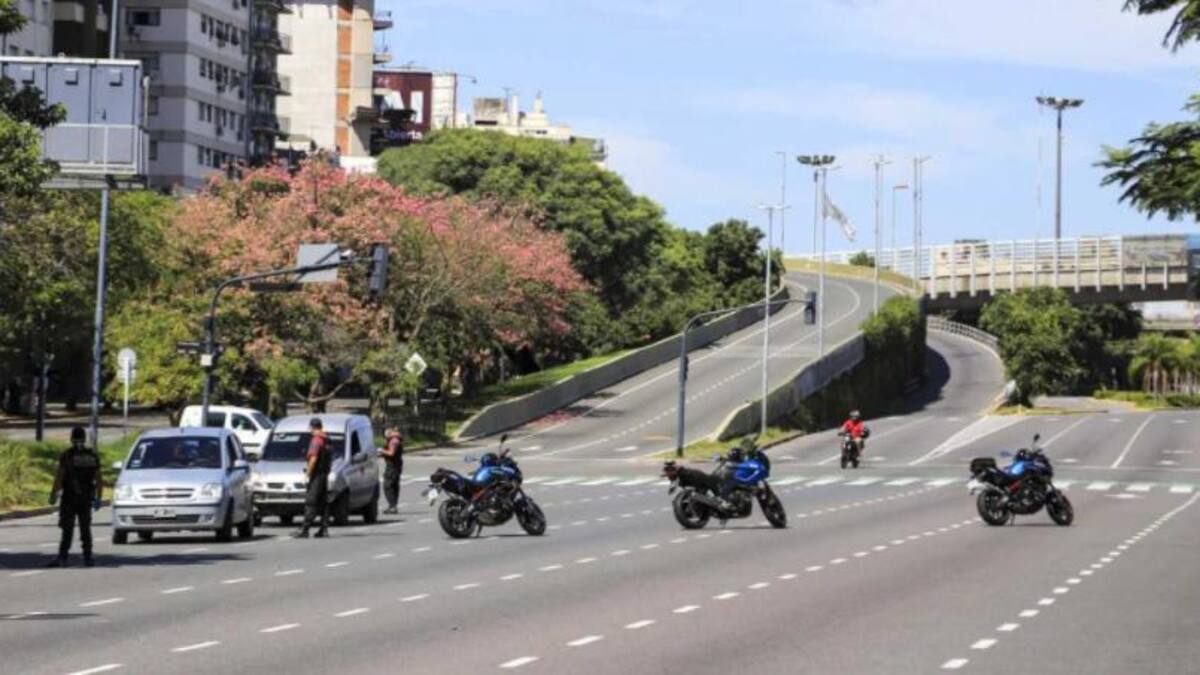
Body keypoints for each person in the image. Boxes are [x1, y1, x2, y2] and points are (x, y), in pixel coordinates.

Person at [48, 427, 102, 567]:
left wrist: (53, 494)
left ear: (71, 439)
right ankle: (88, 557)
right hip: (86, 498)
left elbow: (60, 476)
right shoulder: (92, 456)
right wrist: (99, 497)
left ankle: (63, 557)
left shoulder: (67, 455)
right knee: (85, 529)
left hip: (70, 498)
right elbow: (98, 479)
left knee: (67, 528)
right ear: (84, 438)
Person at [294, 418, 333, 538]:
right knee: (323, 502)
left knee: (311, 501)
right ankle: (324, 529)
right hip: (324, 474)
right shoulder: (328, 439)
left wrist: (308, 474)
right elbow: (330, 459)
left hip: (316, 474)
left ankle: (304, 529)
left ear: (312, 427)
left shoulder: (316, 440)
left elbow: (313, 458)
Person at [381, 427, 404, 515]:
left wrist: (381, 450)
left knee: (388, 485)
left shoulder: (394, 441)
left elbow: (391, 453)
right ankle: (393, 506)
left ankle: (392, 506)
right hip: (396, 465)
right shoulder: (395, 439)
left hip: (393, 466)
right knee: (394, 485)